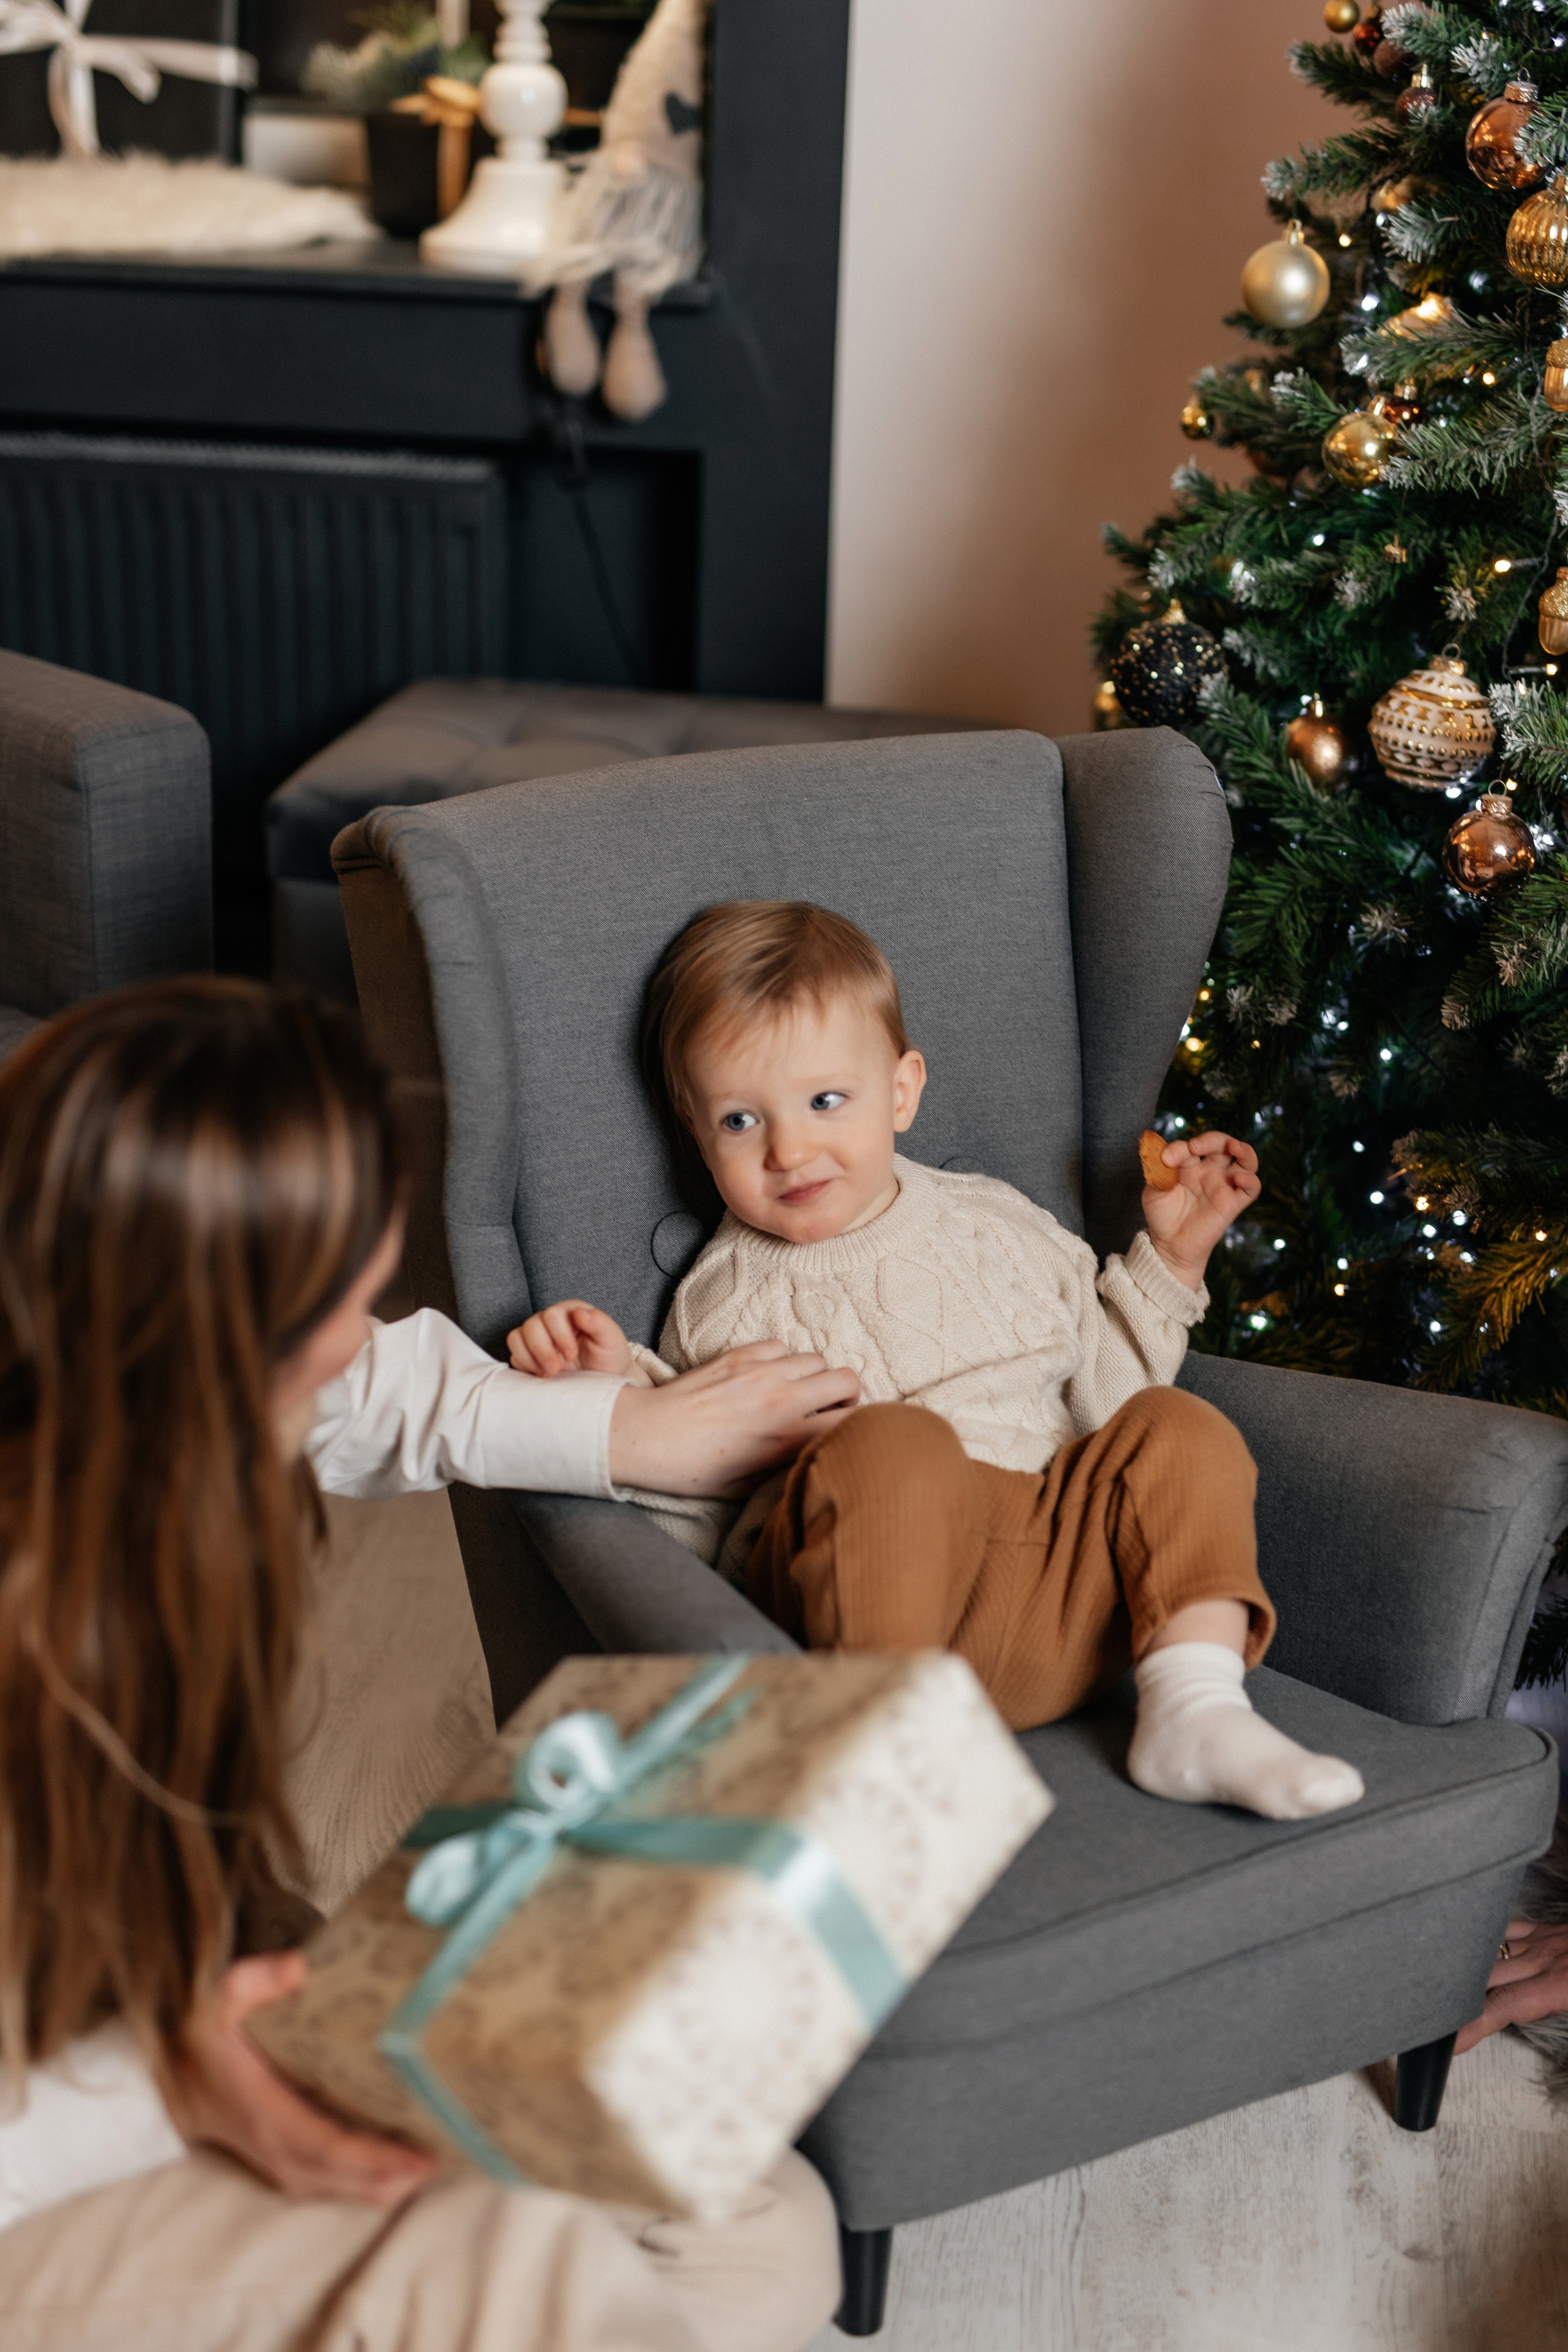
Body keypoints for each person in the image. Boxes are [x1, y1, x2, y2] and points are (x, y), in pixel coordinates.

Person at [0, 978, 843, 2352]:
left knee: (752, 2228)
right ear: (223, 1326)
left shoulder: (142, 1385)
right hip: (52, 2153)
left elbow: (383, 1388)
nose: (366, 1311)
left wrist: (629, 1432)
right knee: (510, 2257)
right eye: (340, 1280)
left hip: (163, 2021)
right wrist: (182, 2087)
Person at [509, 899, 1366, 1825]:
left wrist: (1173, 1263)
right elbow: (702, 1515)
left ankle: (1194, 1707)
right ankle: (890, 1745)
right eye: (741, 1121)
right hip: (872, 1609)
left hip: (1068, 1607)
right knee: (891, 1444)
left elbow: (1113, 1404)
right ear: (694, 1130)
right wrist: (617, 1397)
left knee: (1180, 1428)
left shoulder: (995, 1222)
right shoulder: (722, 1300)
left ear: (903, 1090)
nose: (791, 1149)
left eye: (825, 1101)